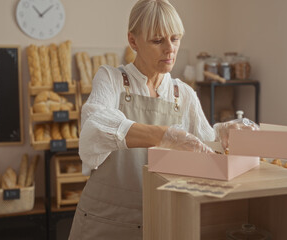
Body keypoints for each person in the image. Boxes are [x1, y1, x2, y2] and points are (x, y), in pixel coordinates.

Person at [69, 0, 257, 239]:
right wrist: (164, 135)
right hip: (105, 221)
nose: (170, 49)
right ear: (133, 41)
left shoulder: (183, 94)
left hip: (162, 219)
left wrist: (223, 132)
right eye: (158, 41)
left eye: (175, 38)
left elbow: (204, 143)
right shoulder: (111, 79)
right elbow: (95, 126)